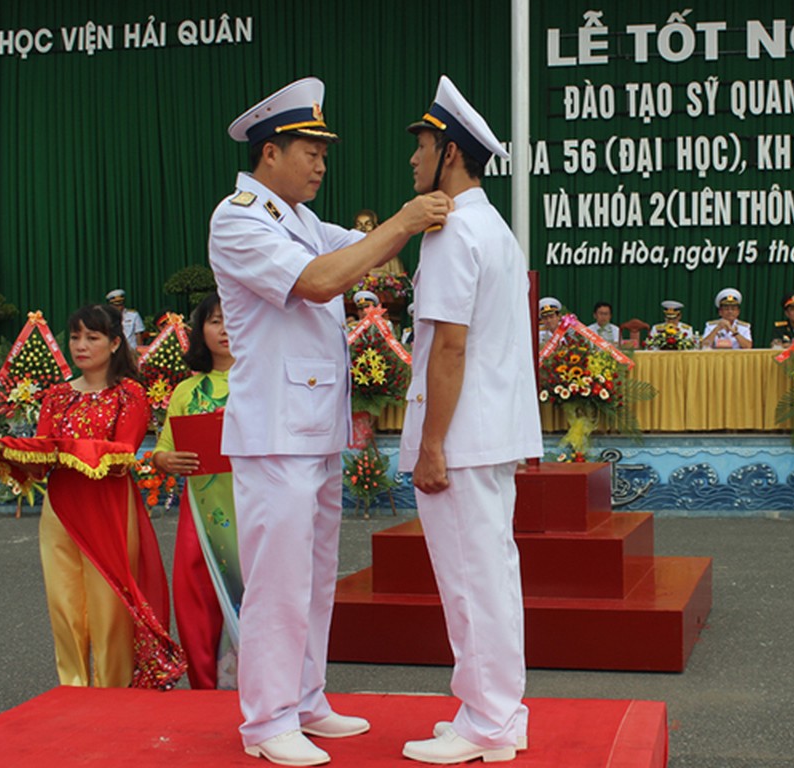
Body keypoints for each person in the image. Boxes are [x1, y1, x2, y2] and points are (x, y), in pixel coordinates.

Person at [208, 77, 450, 767]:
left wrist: (429, 217)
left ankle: (306, 699)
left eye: (323, 151)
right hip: (275, 429)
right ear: (269, 152)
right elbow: (319, 281)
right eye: (308, 149)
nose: (320, 163)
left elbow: (366, 250)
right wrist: (404, 221)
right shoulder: (241, 217)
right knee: (277, 583)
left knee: (313, 577)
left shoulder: (299, 219)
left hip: (313, 427)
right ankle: (266, 721)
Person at [399, 75, 543, 765]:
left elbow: (449, 345)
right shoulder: (493, 227)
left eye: (422, 146)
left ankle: (487, 725)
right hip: (486, 431)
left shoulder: (452, 230)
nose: (413, 159)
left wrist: (431, 446)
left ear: (449, 153)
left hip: (459, 438)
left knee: (470, 578)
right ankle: (494, 714)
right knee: (488, 573)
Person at [35, 304, 183, 689]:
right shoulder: (55, 396)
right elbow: (40, 451)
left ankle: (113, 694)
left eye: (92, 337)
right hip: (60, 509)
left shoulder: (129, 394)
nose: (81, 346)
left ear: (116, 343)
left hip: (110, 507)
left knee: (110, 607)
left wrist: (66, 450)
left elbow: (123, 451)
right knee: (63, 604)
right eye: (75, 337)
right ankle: (72, 689)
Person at [152, 292, 241, 690]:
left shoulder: (265, 381)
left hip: (255, 506)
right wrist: (164, 461)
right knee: (196, 598)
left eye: (233, 319)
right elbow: (163, 449)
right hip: (202, 511)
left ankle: (261, 688)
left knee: (257, 594)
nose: (225, 330)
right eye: (215, 321)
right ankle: (205, 689)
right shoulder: (188, 390)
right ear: (200, 330)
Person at [357, 209, 407, 277]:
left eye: (368, 224)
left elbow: (400, 281)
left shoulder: (390, 258)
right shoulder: (349, 257)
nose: (363, 228)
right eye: (359, 224)